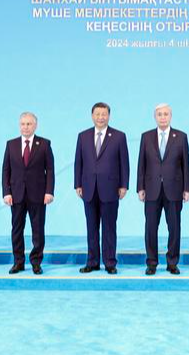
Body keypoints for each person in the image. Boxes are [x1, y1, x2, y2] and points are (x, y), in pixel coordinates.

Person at [74, 102, 129, 274]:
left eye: (104, 114)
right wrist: (78, 184)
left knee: (109, 227)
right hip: (88, 188)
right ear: (92, 116)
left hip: (111, 188)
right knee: (91, 227)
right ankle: (92, 262)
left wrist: (124, 185)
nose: (100, 117)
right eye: (97, 114)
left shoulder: (119, 136)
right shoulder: (83, 136)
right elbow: (78, 162)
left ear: (109, 116)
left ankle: (110, 262)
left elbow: (124, 163)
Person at [136, 104, 189, 275]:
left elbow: (186, 165)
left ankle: (172, 262)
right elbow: (141, 164)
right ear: (155, 116)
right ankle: (151, 263)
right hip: (151, 189)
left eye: (166, 114)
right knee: (150, 228)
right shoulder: (146, 137)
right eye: (159, 114)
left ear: (171, 116)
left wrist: (187, 188)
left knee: (174, 228)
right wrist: (140, 187)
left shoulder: (181, 137)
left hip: (174, 189)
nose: (163, 117)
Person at [2, 112, 55, 275]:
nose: (26, 127)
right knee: (17, 229)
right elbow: (6, 170)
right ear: (19, 126)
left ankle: (36, 262)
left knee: (38, 229)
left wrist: (49, 192)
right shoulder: (11, 144)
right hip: (16, 194)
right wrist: (6, 192)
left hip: (38, 194)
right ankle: (18, 262)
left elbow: (50, 170)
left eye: (29, 124)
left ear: (35, 125)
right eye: (23, 124)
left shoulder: (44, 144)